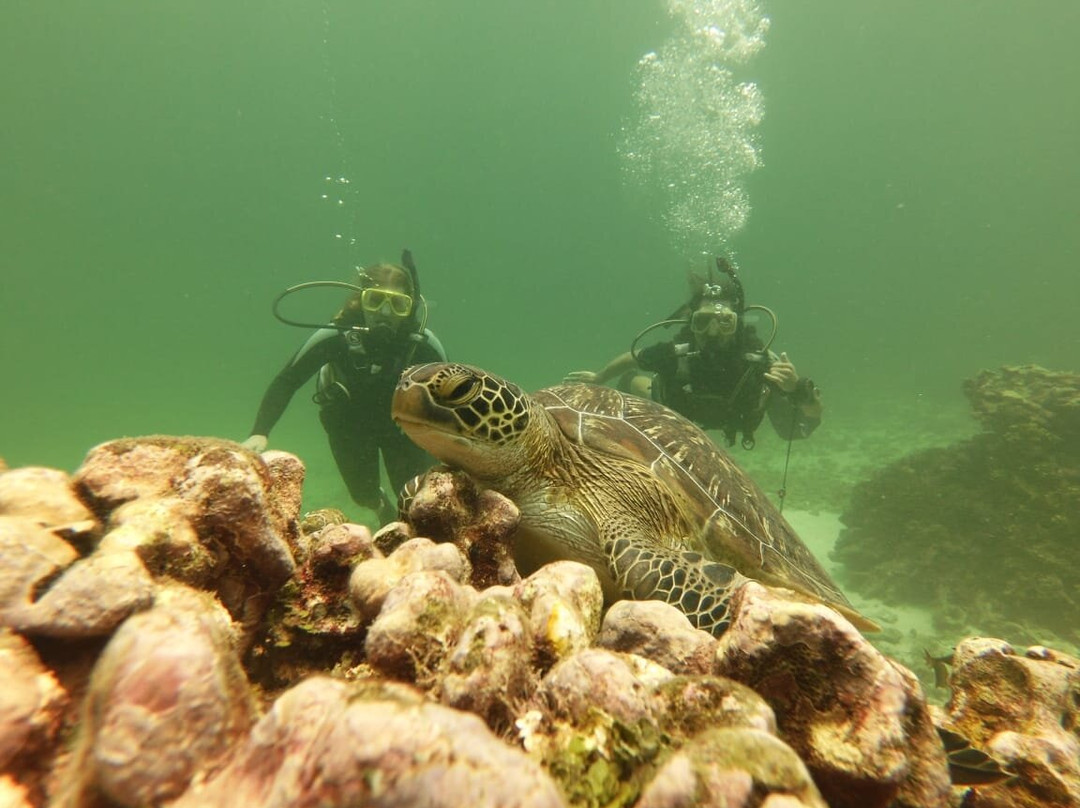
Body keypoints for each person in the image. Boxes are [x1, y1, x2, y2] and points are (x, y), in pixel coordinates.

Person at [242, 250, 446, 523]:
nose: (385, 313)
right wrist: (260, 432)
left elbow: (449, 397)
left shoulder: (422, 344)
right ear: (360, 300)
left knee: (416, 494)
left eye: (397, 305)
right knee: (363, 495)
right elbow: (287, 380)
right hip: (348, 425)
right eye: (375, 301)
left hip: (401, 429)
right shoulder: (335, 335)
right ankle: (378, 505)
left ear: (410, 307)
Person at [565, 257, 822, 449]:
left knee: (791, 429)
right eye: (702, 322)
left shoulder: (759, 363)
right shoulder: (677, 353)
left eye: (724, 323)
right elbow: (631, 358)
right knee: (634, 382)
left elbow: (806, 423)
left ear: (737, 324)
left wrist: (797, 389)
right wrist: (600, 378)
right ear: (691, 323)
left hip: (738, 419)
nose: (712, 332)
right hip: (677, 413)